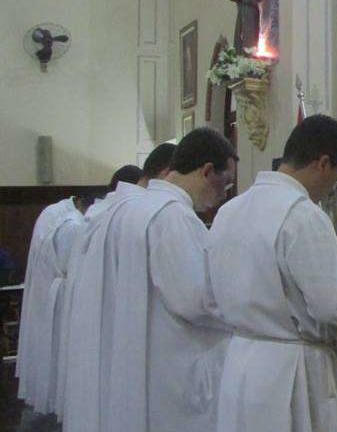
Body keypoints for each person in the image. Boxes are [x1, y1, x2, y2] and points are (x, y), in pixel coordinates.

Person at [66, 128, 236, 432]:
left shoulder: (125, 208)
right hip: (166, 372)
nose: (222, 196)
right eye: (224, 185)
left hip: (130, 357)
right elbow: (198, 299)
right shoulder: (171, 216)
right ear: (207, 171)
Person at [208, 115, 337, 432]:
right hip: (293, 374)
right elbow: (335, 304)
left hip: (240, 363)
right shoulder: (301, 214)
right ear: (323, 163)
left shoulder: (229, 211)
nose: (334, 185)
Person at [59, 144, 176, 422]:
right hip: (128, 328)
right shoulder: (151, 213)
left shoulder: (107, 212)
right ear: (167, 173)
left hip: (102, 323)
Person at [16, 194, 91, 414]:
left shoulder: (57, 215)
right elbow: (69, 264)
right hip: (60, 296)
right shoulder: (72, 225)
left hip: (50, 292)